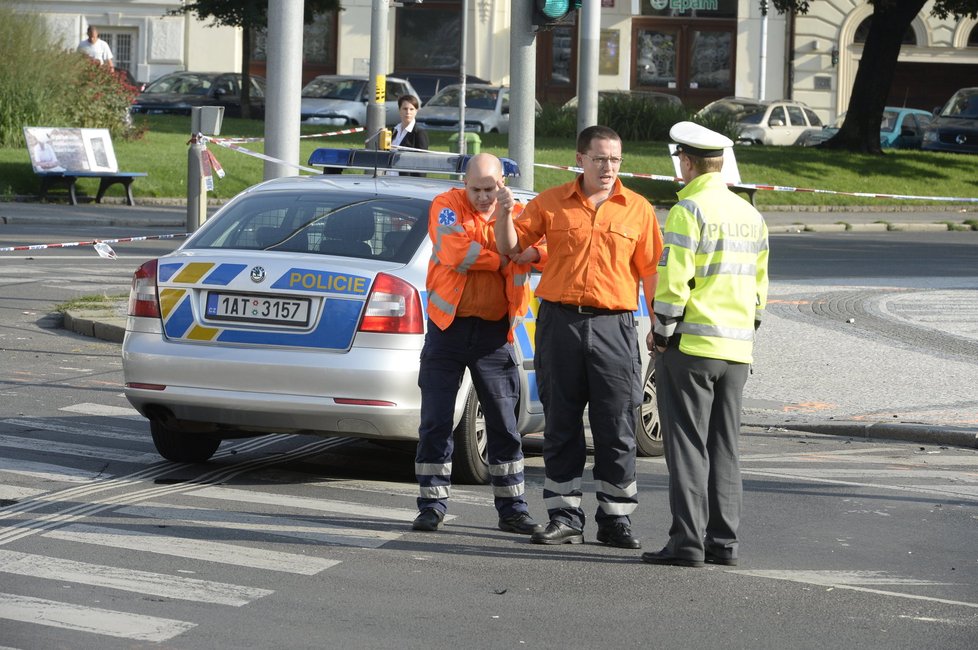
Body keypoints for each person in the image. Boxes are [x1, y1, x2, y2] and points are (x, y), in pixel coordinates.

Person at [494, 125, 663, 549]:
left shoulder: (638, 209)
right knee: (562, 424)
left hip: (615, 326)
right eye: (600, 158)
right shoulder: (551, 203)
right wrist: (502, 214)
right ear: (580, 160)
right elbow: (513, 248)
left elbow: (651, 273)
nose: (609, 167)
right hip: (561, 323)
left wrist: (659, 326)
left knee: (617, 425)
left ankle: (615, 520)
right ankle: (565, 515)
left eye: (615, 159)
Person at [641, 121, 769, 568]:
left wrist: (660, 333)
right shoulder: (751, 215)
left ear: (689, 162)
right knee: (724, 448)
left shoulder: (688, 210)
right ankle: (723, 544)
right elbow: (759, 290)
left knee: (687, 447)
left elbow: (674, 285)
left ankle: (687, 543)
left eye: (680, 160)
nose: (679, 167)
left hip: (692, 347)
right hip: (737, 352)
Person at [412, 153, 545, 535]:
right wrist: (506, 259)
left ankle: (513, 509)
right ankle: (431, 505)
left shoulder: (519, 212)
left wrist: (526, 252)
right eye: (476, 189)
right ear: (464, 183)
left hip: (494, 335)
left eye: (490, 189)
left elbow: (546, 249)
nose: (483, 197)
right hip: (447, 329)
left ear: (502, 183)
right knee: (436, 420)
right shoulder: (446, 205)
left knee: (504, 424)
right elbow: (456, 251)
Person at [389, 94, 429, 177]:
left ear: (416, 111)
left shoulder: (419, 133)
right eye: (405, 109)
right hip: (388, 179)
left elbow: (422, 164)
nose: (408, 112)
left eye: (411, 109)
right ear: (399, 110)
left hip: (406, 182)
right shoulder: (393, 131)